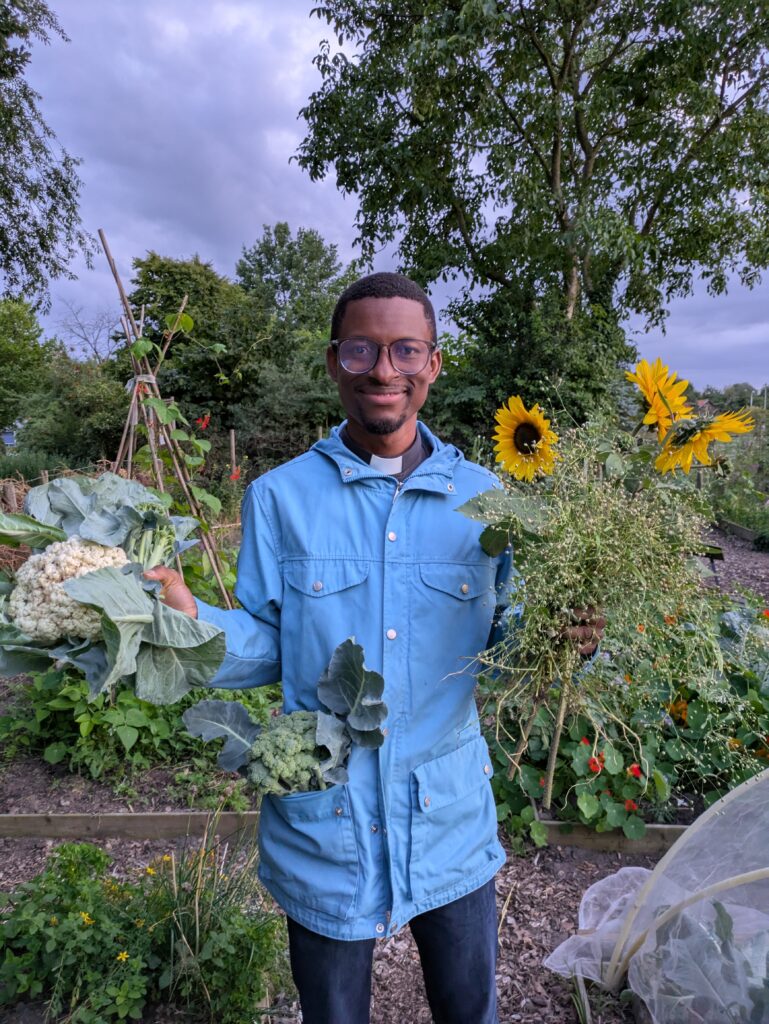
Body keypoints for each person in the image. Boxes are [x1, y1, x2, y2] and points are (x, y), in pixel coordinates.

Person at [147, 272, 579, 1024]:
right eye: (361, 350)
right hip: (327, 826)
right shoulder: (280, 498)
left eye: (405, 350)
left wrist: (568, 638)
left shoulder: (488, 501)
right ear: (333, 362)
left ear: (432, 363)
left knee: (468, 1010)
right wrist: (192, 618)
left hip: (447, 820)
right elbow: (269, 645)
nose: (384, 370)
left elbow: (509, 647)